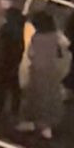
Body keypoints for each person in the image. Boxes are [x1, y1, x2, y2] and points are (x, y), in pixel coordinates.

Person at [19, 11, 67, 139]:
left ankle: (33, 123)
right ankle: (47, 126)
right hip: (52, 71)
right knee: (49, 97)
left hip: (38, 71)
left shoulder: (36, 37)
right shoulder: (56, 37)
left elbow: (31, 53)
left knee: (36, 97)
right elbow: (63, 52)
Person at [0, 0, 26, 119]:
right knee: (15, 88)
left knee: (1, 87)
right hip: (16, 61)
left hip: (4, 60)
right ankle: (15, 110)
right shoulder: (21, 29)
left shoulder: (5, 28)